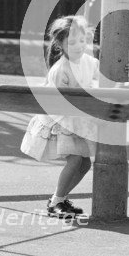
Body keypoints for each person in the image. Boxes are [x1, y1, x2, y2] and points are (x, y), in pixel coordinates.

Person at [21, 15, 99, 217]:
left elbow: (100, 80)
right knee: (75, 161)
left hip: (80, 118)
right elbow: (57, 103)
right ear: (61, 45)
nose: (78, 46)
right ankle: (56, 202)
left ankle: (60, 198)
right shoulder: (60, 70)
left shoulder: (90, 62)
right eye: (71, 42)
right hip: (63, 120)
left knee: (85, 163)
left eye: (82, 41)